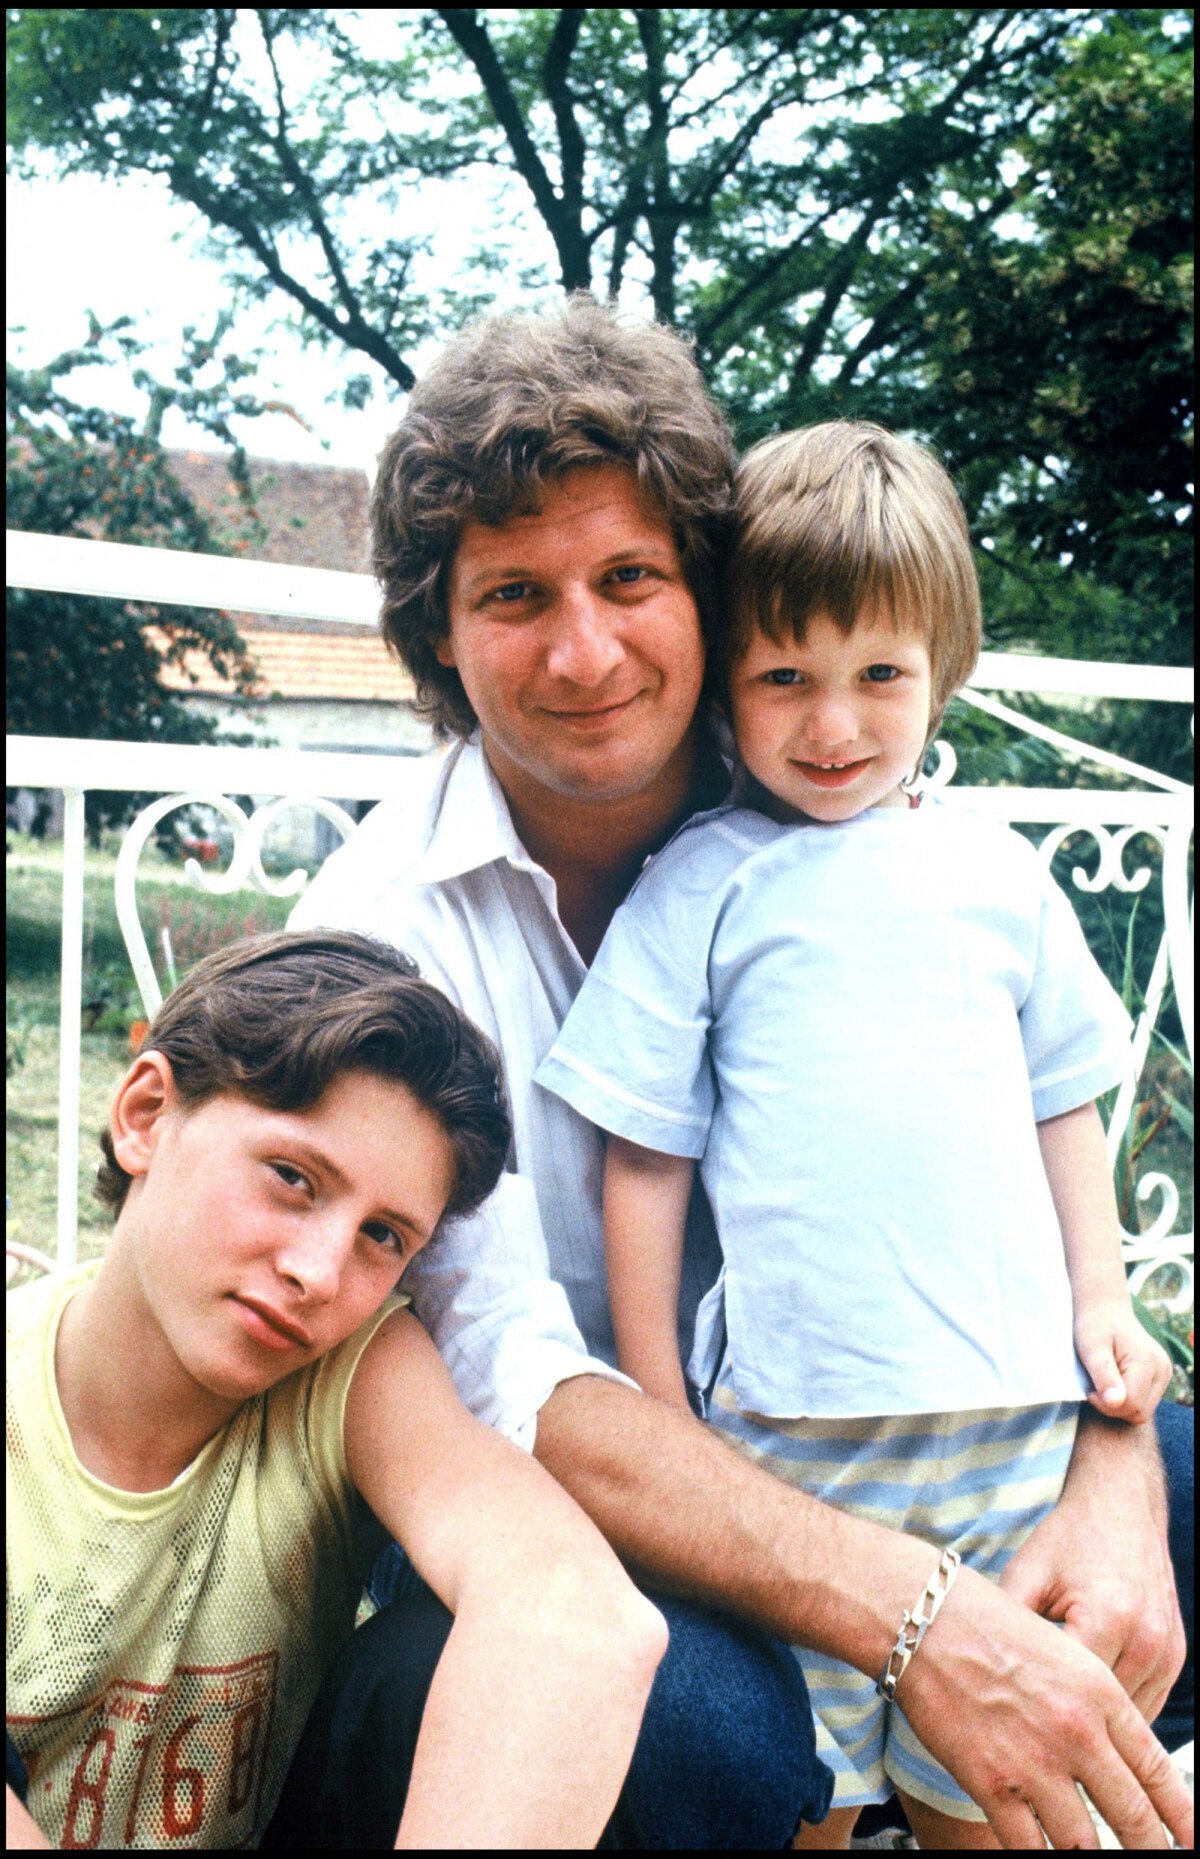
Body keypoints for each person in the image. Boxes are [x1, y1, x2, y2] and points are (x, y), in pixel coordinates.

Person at [289, 296, 1193, 1849]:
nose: (585, 650)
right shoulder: (382, 933)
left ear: (709, 591)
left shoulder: (832, 790)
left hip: (897, 1422)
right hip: (565, 1529)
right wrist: (919, 1617)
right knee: (704, 1723)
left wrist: (1110, 1461)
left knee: (1177, 1481)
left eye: (632, 577)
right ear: (438, 627)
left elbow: (1010, 1129)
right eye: (515, 593)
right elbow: (504, 1368)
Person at [534, 420, 1177, 1848]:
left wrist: (1100, 1298)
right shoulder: (703, 883)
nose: (834, 727)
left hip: (1012, 1425)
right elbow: (645, 1151)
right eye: (785, 679)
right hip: (797, 1446)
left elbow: (1060, 1094)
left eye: (879, 676)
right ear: (727, 684)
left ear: (941, 669)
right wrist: (654, 1392)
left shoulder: (996, 874)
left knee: (995, 1785)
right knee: (808, 1802)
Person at [5, 931, 667, 1851]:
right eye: (292, 1178)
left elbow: (577, 1611)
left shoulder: (345, 1371)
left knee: (704, 1714)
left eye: (384, 1237)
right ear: (148, 1113)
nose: (319, 1272)